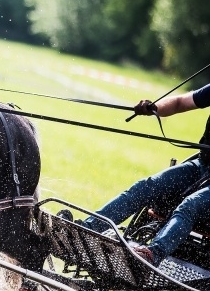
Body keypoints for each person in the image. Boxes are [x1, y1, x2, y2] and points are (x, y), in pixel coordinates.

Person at [82, 83, 210, 264]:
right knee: (147, 185)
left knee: (190, 205)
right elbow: (180, 102)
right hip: (202, 167)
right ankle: (87, 229)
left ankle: (151, 255)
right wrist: (155, 108)